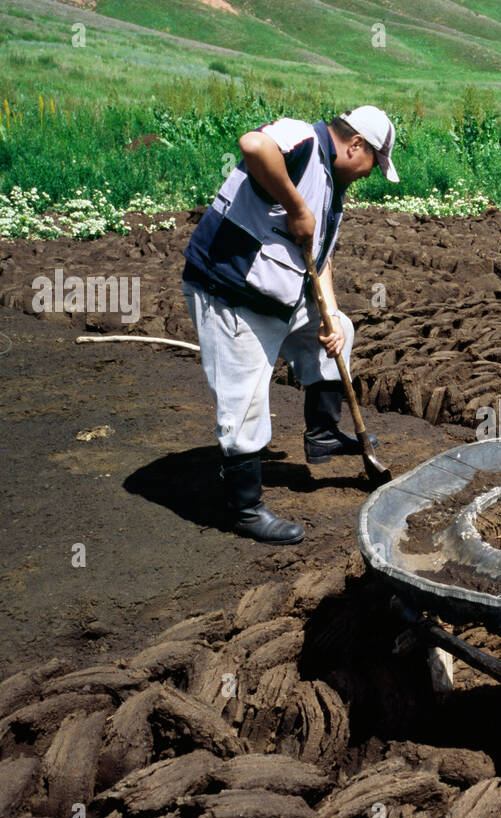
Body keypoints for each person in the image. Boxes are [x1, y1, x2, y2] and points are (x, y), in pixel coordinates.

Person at [181, 106, 399, 545]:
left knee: (342, 332)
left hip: (278, 292)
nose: (371, 174)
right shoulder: (302, 139)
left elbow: (321, 257)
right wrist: (295, 206)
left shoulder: (332, 183)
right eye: (373, 164)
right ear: (355, 145)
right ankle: (244, 509)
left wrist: (330, 315)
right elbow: (253, 144)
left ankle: (321, 434)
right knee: (244, 397)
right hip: (232, 291)